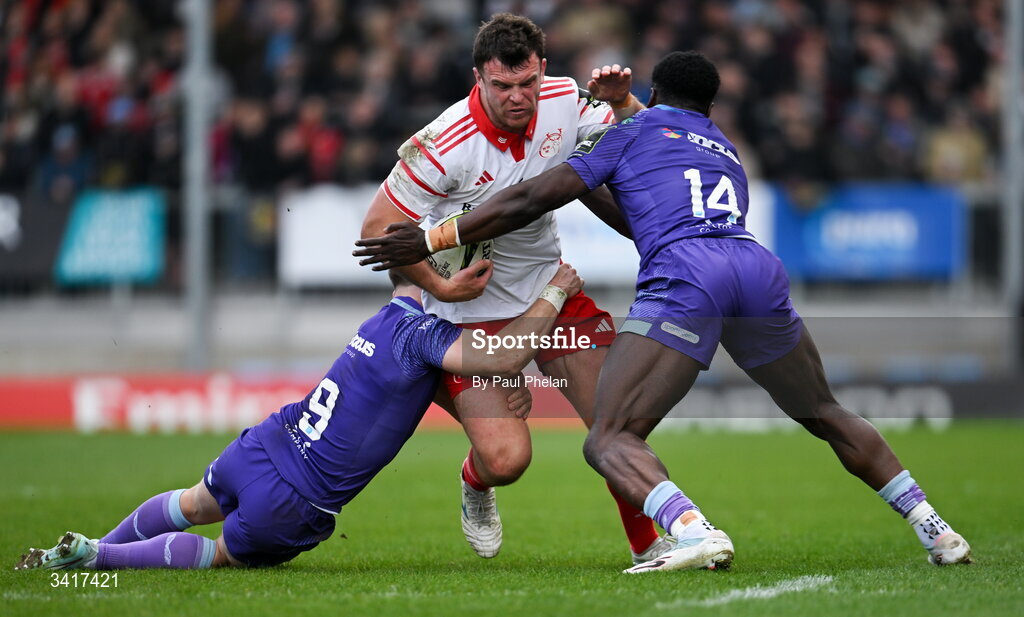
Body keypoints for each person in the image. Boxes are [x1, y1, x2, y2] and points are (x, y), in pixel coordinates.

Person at [354, 51, 974, 573]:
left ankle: (689, 529)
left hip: (687, 278)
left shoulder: (628, 131)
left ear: (652, 93)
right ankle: (934, 527)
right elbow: (634, 205)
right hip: (753, 267)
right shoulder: (723, 147)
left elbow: (540, 194)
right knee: (824, 410)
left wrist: (433, 240)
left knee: (609, 437)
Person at [15, 262, 583, 571]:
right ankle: (98, 555)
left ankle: (77, 551)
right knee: (220, 555)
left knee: (189, 503)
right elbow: (505, 353)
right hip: (297, 498)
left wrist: (493, 388)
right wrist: (554, 291)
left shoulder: (383, 321)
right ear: (449, 279)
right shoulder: (426, 337)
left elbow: (415, 388)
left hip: (264, 444)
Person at [359, 13, 667, 563]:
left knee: (615, 422)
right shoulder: (443, 143)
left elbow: (641, 141)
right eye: (503, 86)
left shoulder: (565, 98)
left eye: (527, 83)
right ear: (479, 77)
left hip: (549, 290)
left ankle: (650, 548)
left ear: (542, 69)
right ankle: (476, 482)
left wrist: (624, 103)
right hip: (468, 313)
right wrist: (441, 288)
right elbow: (377, 229)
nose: (518, 98)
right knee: (507, 461)